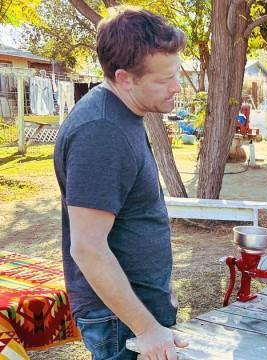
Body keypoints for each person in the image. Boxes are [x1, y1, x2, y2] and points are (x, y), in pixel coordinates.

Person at [53, 7, 188, 359]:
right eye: (163, 80)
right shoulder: (101, 131)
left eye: (176, 75)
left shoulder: (123, 113)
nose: (176, 88)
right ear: (125, 78)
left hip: (134, 312)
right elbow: (87, 248)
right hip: (119, 320)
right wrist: (146, 328)